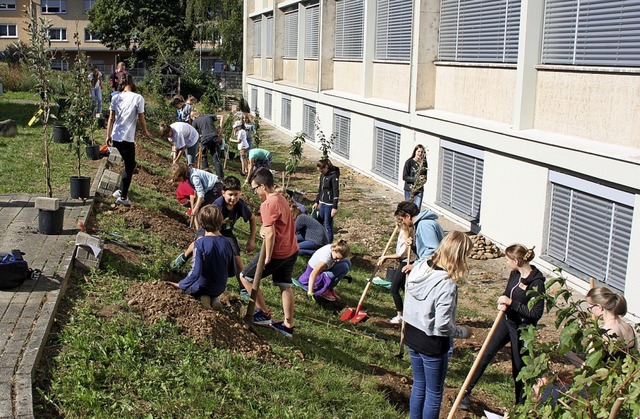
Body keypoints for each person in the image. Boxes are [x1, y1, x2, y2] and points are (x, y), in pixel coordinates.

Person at [460, 244, 546, 410]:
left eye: (508, 260)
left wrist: (512, 303)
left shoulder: (537, 284)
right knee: (485, 353)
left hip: (523, 329)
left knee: (519, 368)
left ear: (517, 261)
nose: (506, 263)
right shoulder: (515, 273)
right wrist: (504, 302)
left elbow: (535, 314)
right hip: (506, 321)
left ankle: (520, 407)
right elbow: (509, 293)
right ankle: (465, 392)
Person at [403, 231, 473, 419]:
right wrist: (462, 332)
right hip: (432, 342)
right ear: (459, 255)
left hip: (412, 332)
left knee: (419, 384)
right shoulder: (446, 283)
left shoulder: (419, 267)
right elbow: (442, 325)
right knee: (434, 393)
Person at [241, 168, 299, 337]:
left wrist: (267, 256)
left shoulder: (267, 204)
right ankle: (288, 325)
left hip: (277, 252)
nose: (254, 192)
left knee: (245, 277)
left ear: (263, 186)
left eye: (255, 188)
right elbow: (275, 225)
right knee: (285, 284)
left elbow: (271, 233)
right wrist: (263, 230)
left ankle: (264, 314)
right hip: (291, 249)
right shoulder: (281, 198)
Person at [168, 205, 236, 311]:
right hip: (219, 288)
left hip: (201, 287)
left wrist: (181, 285)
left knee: (192, 289)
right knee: (212, 291)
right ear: (221, 222)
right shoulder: (227, 243)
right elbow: (232, 271)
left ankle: (202, 298)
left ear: (201, 224)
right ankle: (214, 300)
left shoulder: (200, 244)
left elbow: (195, 272)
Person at [106, 74, 152, 206]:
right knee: (130, 165)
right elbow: (141, 118)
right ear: (132, 83)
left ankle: (121, 191)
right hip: (126, 138)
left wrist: (108, 135)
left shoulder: (116, 97)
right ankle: (123, 197)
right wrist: (146, 132)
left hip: (116, 136)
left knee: (128, 164)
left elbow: (111, 118)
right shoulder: (138, 98)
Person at [377, 221, 413, 323]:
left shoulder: (408, 234)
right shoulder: (401, 230)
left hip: (407, 262)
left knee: (394, 288)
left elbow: (400, 254)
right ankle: (407, 312)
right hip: (403, 261)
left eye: (398, 220)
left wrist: (385, 257)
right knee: (403, 287)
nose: (396, 222)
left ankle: (400, 315)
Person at [394, 201, 444, 270]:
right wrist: (413, 246)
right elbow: (425, 248)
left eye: (402, 219)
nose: (403, 222)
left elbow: (433, 249)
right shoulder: (424, 223)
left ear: (408, 216)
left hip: (434, 266)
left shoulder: (424, 224)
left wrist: (416, 265)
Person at [171, 162, 222, 228]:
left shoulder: (194, 177)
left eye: (179, 178)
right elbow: (195, 192)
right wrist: (194, 206)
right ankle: (201, 228)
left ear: (182, 175)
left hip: (215, 188)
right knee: (199, 206)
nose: (179, 181)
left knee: (203, 208)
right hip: (210, 188)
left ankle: (204, 228)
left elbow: (201, 194)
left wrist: (196, 208)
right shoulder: (190, 176)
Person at [312, 159, 340, 243]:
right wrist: (316, 201)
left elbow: (336, 191)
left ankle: (328, 244)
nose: (321, 172)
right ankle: (321, 240)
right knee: (320, 222)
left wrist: (334, 207)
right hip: (322, 202)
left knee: (327, 224)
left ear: (326, 167)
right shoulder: (322, 176)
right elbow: (320, 189)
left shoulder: (333, 176)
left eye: (322, 170)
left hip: (329, 204)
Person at [191, 110, 223, 178]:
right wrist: (220, 129)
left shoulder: (195, 121)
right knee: (216, 158)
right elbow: (221, 116)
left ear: (194, 117)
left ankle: (206, 176)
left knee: (203, 157)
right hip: (214, 137)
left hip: (205, 139)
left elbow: (193, 133)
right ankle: (220, 178)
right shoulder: (208, 116)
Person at [403, 145, 428, 209]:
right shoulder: (409, 162)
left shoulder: (424, 163)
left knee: (416, 209)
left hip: (419, 190)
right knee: (408, 209)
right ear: (415, 152)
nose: (420, 153)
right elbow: (405, 177)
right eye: (418, 151)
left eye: (422, 152)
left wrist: (423, 181)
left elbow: (425, 176)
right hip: (409, 189)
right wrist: (416, 180)